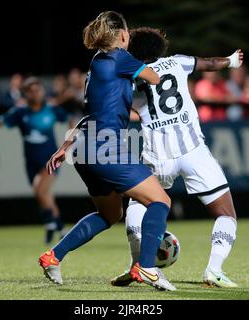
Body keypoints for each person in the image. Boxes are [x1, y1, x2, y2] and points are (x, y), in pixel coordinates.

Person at [40, 11, 176, 291]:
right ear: (123, 35)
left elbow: (89, 113)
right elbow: (154, 78)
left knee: (109, 215)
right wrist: (148, 65)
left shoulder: (97, 62)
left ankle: (53, 256)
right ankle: (147, 268)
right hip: (106, 148)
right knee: (160, 201)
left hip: (84, 149)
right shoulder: (120, 57)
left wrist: (64, 145)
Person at [110, 27, 243, 288]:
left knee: (138, 205)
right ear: (160, 47)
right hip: (193, 150)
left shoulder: (129, 76)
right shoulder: (178, 62)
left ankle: (137, 265)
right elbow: (211, 63)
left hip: (157, 153)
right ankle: (214, 270)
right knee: (226, 214)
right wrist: (232, 60)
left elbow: (118, 106)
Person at [0, 77, 68, 244]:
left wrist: (68, 144)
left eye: (38, 89)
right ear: (26, 94)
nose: (36, 93)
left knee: (40, 190)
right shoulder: (20, 112)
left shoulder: (51, 109)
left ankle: (52, 224)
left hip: (51, 160)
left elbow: (69, 119)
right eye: (32, 90)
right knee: (44, 196)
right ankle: (61, 228)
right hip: (31, 163)